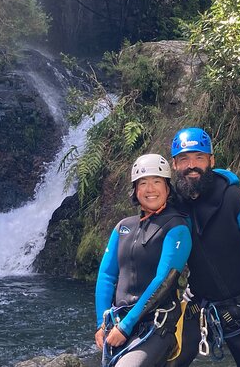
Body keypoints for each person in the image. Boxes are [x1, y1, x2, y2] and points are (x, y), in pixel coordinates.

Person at [169, 127, 240, 367]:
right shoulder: (175, 205)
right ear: (175, 164)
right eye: (184, 159)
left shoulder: (237, 200)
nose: (192, 165)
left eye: (199, 157)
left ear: (211, 160)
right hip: (198, 306)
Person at [95, 153, 192, 367]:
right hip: (120, 322)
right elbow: (107, 275)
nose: (150, 189)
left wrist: (125, 327)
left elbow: (163, 281)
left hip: (157, 325)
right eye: (143, 183)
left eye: (157, 182)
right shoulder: (123, 227)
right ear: (135, 190)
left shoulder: (177, 228)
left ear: (167, 188)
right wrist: (102, 325)